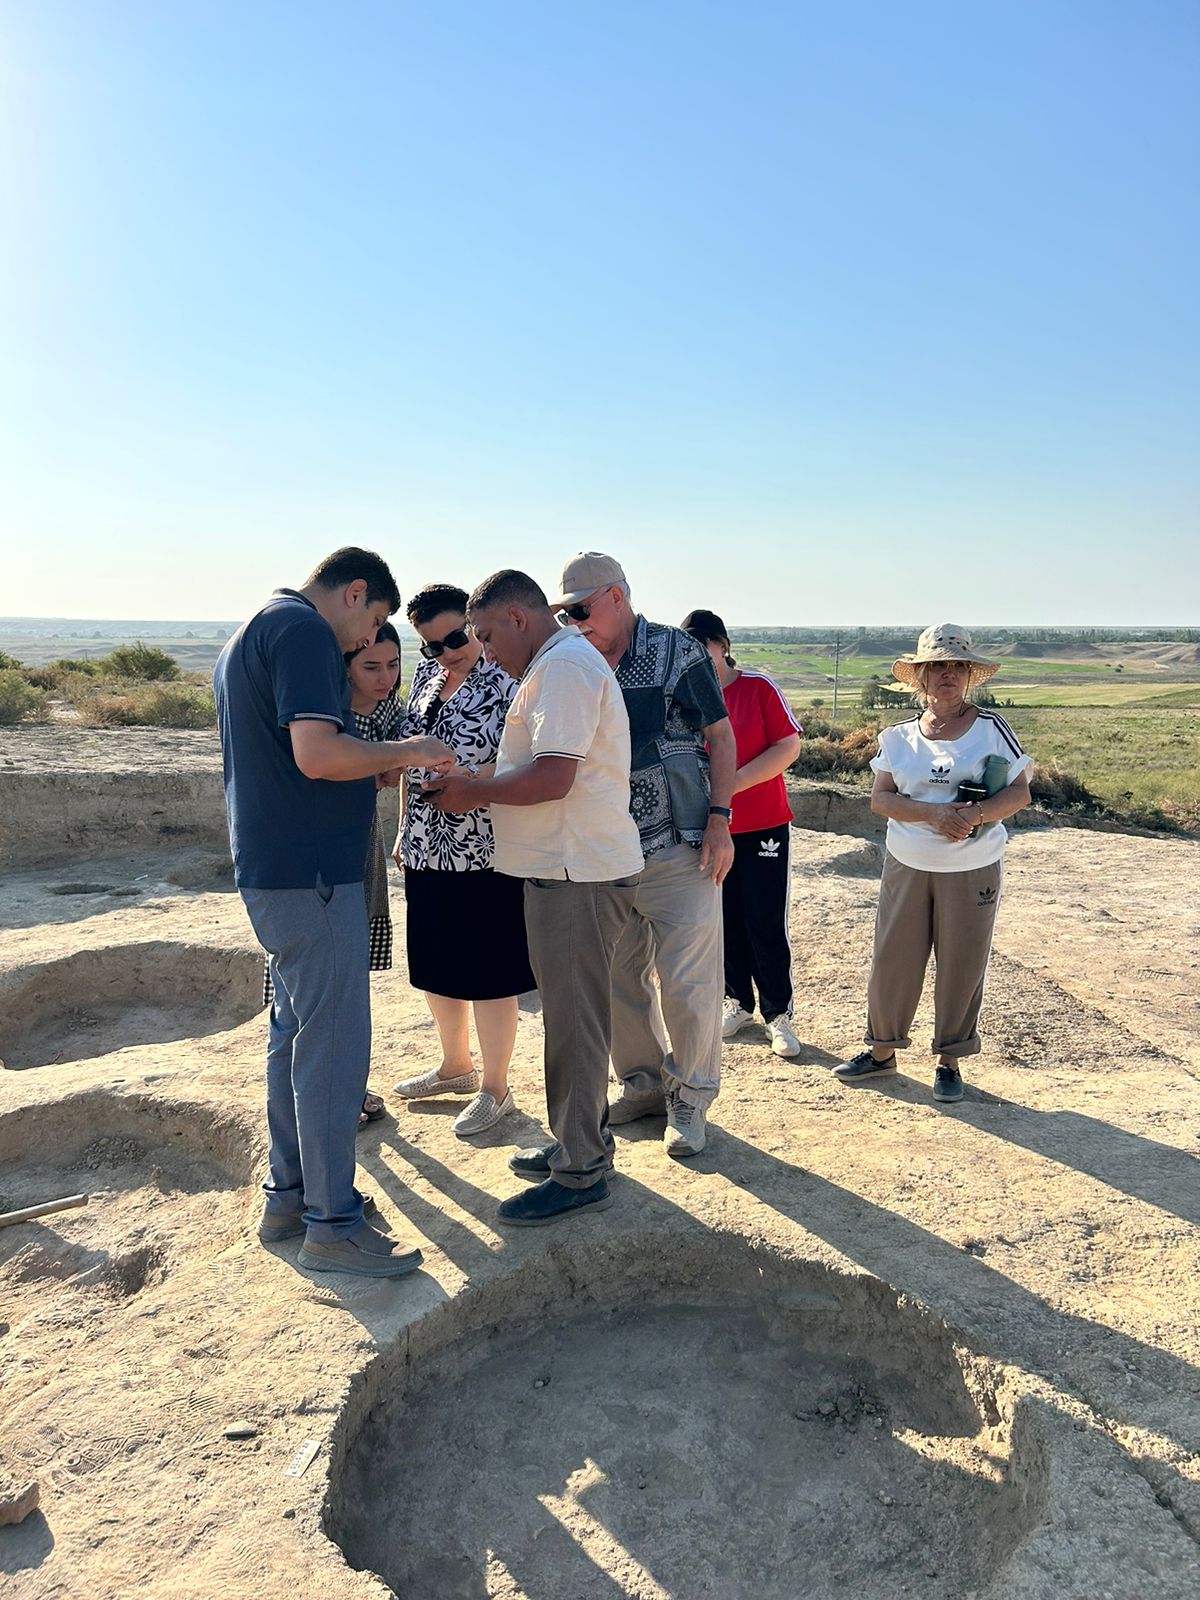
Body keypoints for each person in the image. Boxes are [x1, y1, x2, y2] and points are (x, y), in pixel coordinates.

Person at [214, 548, 453, 1278]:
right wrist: (413, 747)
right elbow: (317, 754)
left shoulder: (256, 627)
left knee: (293, 1037)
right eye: (373, 621)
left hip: (276, 871)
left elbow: (299, 758)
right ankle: (333, 1226)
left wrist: (371, 762)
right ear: (354, 594)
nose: (365, 640)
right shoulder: (304, 633)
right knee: (332, 1048)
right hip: (312, 875)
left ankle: (292, 1198)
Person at [424, 570, 643, 1227]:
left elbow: (553, 779)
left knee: (574, 1026)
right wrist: (473, 778)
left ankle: (579, 1173)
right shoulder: (556, 665)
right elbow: (538, 764)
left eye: (487, 635)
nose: (484, 651)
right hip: (563, 868)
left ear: (519, 620)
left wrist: (473, 792)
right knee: (570, 1019)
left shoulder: (565, 669)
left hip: (575, 872)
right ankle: (577, 1142)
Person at [552, 553, 735, 1159]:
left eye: (579, 609)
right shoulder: (571, 660)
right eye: (563, 613)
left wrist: (720, 820)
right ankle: (645, 1085)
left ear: (615, 597)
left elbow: (721, 735)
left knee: (689, 982)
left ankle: (691, 1097)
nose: (572, 621)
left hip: (679, 845)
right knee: (616, 981)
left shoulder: (678, 652)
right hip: (605, 853)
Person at [833, 623, 1032, 1104]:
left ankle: (949, 1060)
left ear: (968, 676)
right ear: (919, 677)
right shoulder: (897, 737)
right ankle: (882, 1052)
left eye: (957, 666)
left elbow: (1020, 791)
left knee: (962, 961)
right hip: (907, 862)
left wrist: (976, 816)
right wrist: (934, 814)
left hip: (973, 865)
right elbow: (881, 800)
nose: (947, 674)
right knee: (893, 959)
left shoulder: (991, 729)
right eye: (937, 666)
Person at [390, 583, 535, 1138]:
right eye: (431, 645)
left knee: (491, 969)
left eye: (454, 637)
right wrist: (404, 828)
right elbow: (410, 757)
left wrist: (472, 783)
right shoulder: (427, 680)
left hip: (487, 845)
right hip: (427, 843)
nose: (446, 652)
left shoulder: (510, 681)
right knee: (437, 961)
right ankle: (455, 1067)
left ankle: (496, 1088)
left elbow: (524, 760)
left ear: (476, 626)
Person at [260, 620, 403, 1128]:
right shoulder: (326, 716)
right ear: (345, 668)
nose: (384, 678)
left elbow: (385, 770)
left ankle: (346, 1085)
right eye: (371, 666)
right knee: (303, 992)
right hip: (317, 858)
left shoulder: (388, 710)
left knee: (348, 978)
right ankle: (325, 1098)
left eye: (392, 665)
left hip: (362, 847)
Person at [681, 609, 804, 1058]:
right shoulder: (690, 698)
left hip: (764, 823)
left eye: (704, 647)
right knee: (725, 916)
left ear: (723, 644)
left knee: (764, 919)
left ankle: (779, 1013)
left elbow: (788, 745)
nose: (698, 657)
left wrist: (730, 786)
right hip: (713, 828)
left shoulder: (758, 687)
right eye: (689, 649)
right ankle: (738, 1002)